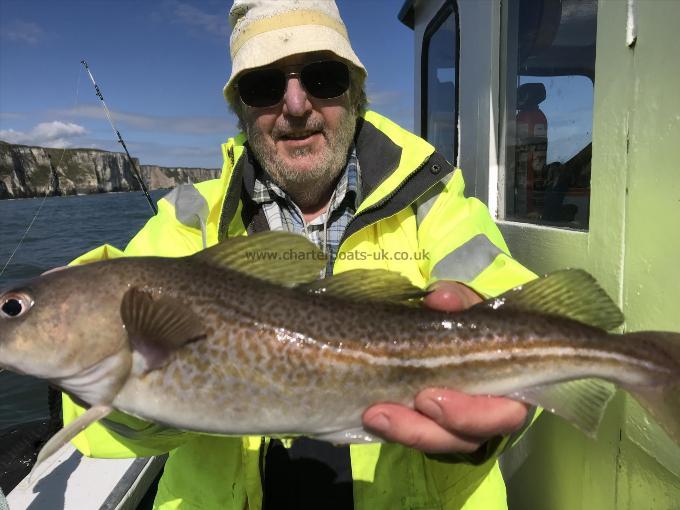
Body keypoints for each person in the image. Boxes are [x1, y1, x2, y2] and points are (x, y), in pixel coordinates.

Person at [62, 1, 537, 508]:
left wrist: (481, 422)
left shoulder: (434, 201)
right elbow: (114, 428)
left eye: (323, 77)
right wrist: (132, 386)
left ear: (355, 91)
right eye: (263, 85)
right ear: (241, 108)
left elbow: (517, 315)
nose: (294, 104)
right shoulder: (187, 221)